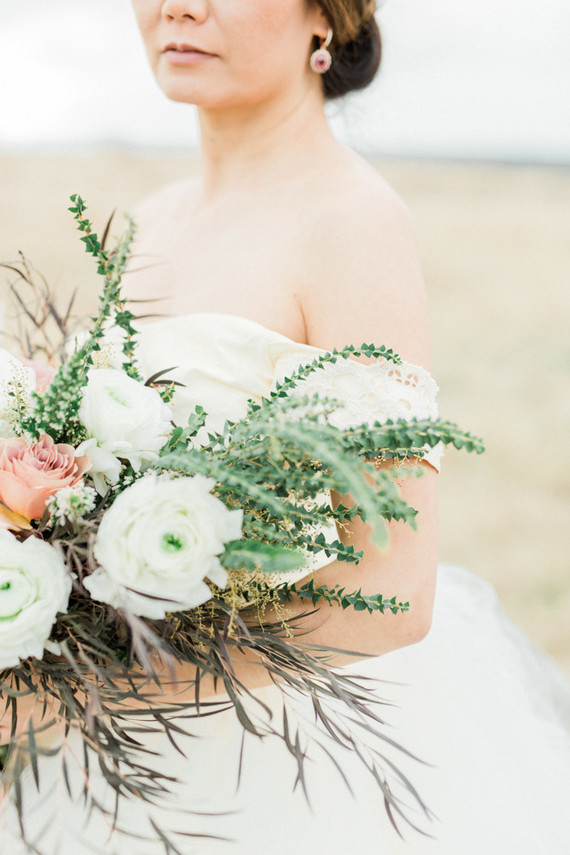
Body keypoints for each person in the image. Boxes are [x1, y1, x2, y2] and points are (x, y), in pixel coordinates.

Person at [1, 1, 570, 852]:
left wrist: (96, 688)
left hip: (283, 766)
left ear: (325, 19)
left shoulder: (353, 224)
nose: (178, 8)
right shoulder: (148, 221)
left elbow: (391, 597)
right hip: (111, 767)